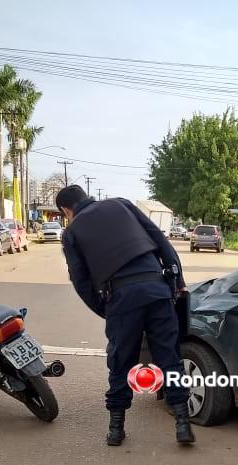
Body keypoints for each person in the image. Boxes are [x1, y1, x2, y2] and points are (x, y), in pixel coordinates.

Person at [56, 185, 194, 446]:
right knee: (170, 359)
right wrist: (177, 281)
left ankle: (116, 429)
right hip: (158, 291)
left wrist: (105, 309)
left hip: (122, 299)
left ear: (66, 210)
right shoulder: (122, 204)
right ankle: (182, 425)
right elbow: (161, 240)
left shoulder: (72, 232)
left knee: (121, 363)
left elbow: (81, 281)